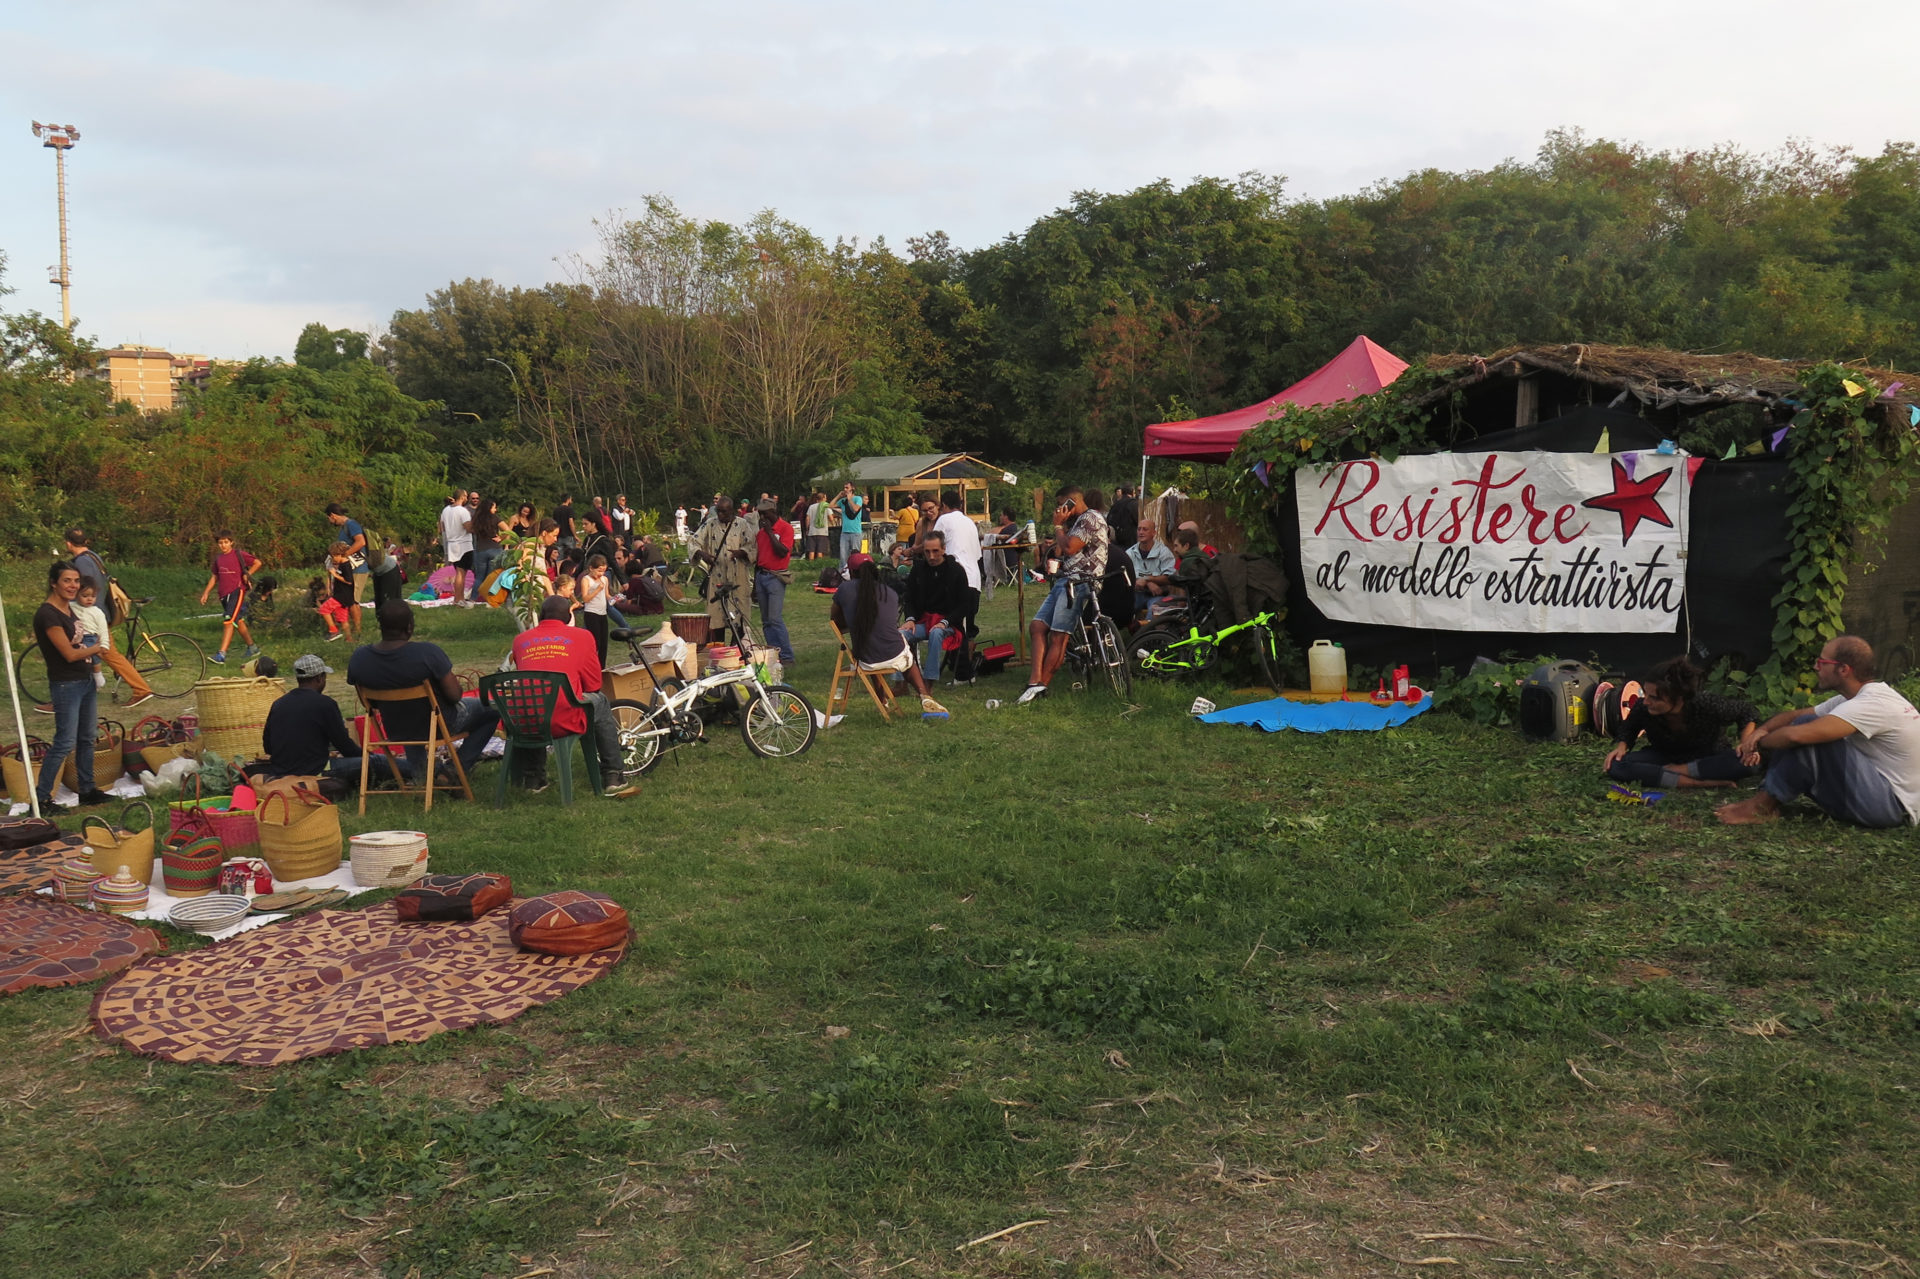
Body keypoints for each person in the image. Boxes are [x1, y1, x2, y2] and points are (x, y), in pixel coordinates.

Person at [1717, 635, 1920, 827]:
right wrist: (1760, 731)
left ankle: (1761, 807)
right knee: (1807, 722)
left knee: (1807, 735)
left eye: (1822, 662)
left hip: (1892, 806)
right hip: (1881, 793)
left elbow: (1795, 734)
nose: (1815, 667)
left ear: (1843, 669)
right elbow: (1796, 716)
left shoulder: (1871, 704)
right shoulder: (1859, 697)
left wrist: (1757, 744)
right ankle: (1766, 799)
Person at [509, 595, 639, 798]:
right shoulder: (583, 637)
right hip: (565, 718)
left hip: (524, 721)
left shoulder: (520, 640)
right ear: (570, 615)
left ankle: (533, 778)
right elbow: (594, 684)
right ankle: (613, 775)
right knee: (601, 702)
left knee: (536, 703)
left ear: (541, 615)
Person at [1602, 657, 1758, 789]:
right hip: (1665, 755)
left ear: (1678, 698)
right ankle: (1699, 782)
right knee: (1616, 765)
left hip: (1708, 756)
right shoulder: (1643, 707)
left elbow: (1747, 713)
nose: (1646, 702)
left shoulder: (1706, 704)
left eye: (1654, 698)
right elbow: (1629, 728)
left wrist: (1746, 744)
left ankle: (1674, 772)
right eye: (1645, 694)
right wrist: (1621, 747)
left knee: (1749, 763)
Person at [1017, 486, 1109, 704]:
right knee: (1037, 626)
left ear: (1070, 502)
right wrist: (1062, 529)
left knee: (1059, 634)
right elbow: (1060, 551)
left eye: (1061, 504)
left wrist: (1058, 525)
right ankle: (1034, 682)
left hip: (1081, 581)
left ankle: (1041, 687)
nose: (1058, 509)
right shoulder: (1077, 522)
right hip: (1066, 579)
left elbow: (1069, 548)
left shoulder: (1091, 518)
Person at [830, 553, 948, 720]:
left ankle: (881, 699)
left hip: (867, 661)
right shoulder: (889, 593)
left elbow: (834, 618)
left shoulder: (845, 590)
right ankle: (924, 694)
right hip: (895, 655)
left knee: (871, 647)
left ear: (853, 573)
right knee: (907, 658)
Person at [33, 562, 113, 810]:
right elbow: (68, 653)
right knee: (64, 742)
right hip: (67, 683)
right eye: (67, 581)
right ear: (53, 583)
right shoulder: (48, 614)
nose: (73, 586)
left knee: (87, 738)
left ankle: (87, 790)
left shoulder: (70, 610)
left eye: (76, 581)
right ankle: (43, 797)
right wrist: (98, 648)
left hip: (85, 678)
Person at [253, 654, 367, 786]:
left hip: (281, 770)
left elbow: (268, 747)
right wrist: (365, 755)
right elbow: (345, 746)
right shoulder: (325, 704)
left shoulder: (278, 703)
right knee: (377, 762)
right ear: (319, 678)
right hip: (316, 770)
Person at [900, 531, 969, 685]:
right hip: (924, 621)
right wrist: (910, 619)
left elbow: (965, 604)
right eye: (927, 552)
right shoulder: (918, 569)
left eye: (935, 551)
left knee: (936, 633)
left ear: (944, 549)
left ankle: (929, 681)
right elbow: (909, 597)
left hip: (949, 624)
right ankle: (901, 682)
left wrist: (946, 621)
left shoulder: (956, 570)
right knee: (900, 634)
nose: (931, 556)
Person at [691, 495, 755, 642]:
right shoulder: (710, 524)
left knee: (739, 614)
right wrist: (702, 554)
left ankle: (737, 649)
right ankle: (718, 650)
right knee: (716, 617)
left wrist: (742, 552)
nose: (720, 515)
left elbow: (751, 546)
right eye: (718, 511)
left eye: (724, 512)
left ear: (731, 511)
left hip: (737, 575)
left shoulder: (742, 524)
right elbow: (694, 541)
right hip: (717, 577)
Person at [198, 530, 260, 664]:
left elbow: (257, 563)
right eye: (220, 543)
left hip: (236, 592)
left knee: (228, 621)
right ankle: (253, 647)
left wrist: (247, 574)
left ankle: (221, 654)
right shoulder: (218, 559)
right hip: (223, 594)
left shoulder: (239, 555)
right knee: (238, 620)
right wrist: (206, 592)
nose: (223, 545)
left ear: (231, 542)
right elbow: (215, 577)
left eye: (226, 542)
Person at [753, 497, 797, 666]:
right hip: (761, 576)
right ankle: (774, 654)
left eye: (765, 514)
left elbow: (782, 552)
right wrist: (754, 586)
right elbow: (759, 559)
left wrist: (770, 532)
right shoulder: (760, 533)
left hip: (776, 577)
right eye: (760, 514)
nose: (762, 518)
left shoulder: (785, 528)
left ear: (773, 512)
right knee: (765, 620)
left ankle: (786, 655)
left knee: (775, 618)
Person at [932, 491, 983, 634]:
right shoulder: (970, 522)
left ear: (943, 505)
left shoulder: (944, 519)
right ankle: (967, 654)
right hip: (974, 579)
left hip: (956, 578)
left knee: (954, 626)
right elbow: (978, 555)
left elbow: (933, 544)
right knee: (969, 627)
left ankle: (959, 654)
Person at [1127, 520, 1177, 621]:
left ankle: (1147, 635)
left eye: (1145, 529)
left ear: (1154, 533)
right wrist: (1148, 582)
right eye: (1139, 529)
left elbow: (1169, 578)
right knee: (1123, 606)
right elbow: (1125, 576)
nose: (1141, 532)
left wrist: (1147, 579)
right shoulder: (1130, 553)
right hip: (1136, 593)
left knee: (1154, 611)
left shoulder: (1163, 552)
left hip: (1158, 594)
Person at [326, 503, 370, 604]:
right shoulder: (344, 527)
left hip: (359, 569)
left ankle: (355, 620)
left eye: (329, 518)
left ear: (333, 515)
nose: (329, 521)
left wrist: (343, 556)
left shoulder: (351, 525)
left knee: (353, 601)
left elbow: (361, 542)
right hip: (349, 569)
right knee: (347, 600)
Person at [439, 491, 475, 605]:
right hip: (464, 544)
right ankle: (459, 599)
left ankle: (458, 598)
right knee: (461, 573)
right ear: (463, 497)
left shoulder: (445, 510)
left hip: (451, 544)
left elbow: (442, 527)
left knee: (458, 572)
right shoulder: (463, 511)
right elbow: (468, 528)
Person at [579, 553, 612, 667]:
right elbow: (585, 598)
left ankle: (602, 666)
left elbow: (607, 595)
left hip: (602, 612)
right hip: (591, 613)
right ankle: (591, 664)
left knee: (604, 643)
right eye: (598, 571)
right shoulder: (586, 580)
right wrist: (597, 590)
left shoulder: (605, 579)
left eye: (603, 571)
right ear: (591, 568)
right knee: (595, 642)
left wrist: (614, 599)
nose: (600, 574)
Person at [320, 541, 358, 641]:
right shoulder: (341, 564)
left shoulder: (346, 565)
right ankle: (349, 639)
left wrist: (335, 574)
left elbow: (349, 581)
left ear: (340, 555)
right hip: (342, 595)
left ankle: (333, 630)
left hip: (342, 596)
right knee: (343, 618)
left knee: (324, 609)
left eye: (334, 556)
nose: (333, 558)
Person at [469, 497, 504, 603]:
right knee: (492, 577)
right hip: (495, 549)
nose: (495, 510)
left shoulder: (476, 519)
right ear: (489, 508)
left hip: (481, 550)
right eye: (494, 507)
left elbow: (471, 530)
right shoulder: (495, 518)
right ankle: (489, 600)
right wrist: (500, 538)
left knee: (479, 577)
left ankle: (472, 599)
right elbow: (507, 529)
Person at [835, 482, 866, 567]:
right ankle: (843, 573)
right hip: (845, 532)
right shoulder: (843, 501)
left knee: (855, 555)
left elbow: (856, 509)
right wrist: (838, 496)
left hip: (855, 532)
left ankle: (855, 571)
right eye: (844, 488)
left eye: (847, 488)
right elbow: (830, 506)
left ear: (852, 488)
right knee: (843, 555)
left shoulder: (858, 498)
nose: (845, 489)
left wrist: (849, 500)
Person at [1108, 486, 1140, 556]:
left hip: (1115, 541)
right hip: (1130, 540)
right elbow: (1138, 520)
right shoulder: (1133, 503)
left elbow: (1109, 520)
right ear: (1132, 492)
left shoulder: (1115, 505)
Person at [805, 492, 832, 560]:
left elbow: (807, 518)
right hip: (823, 532)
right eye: (825, 497)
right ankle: (819, 564)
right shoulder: (826, 506)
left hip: (812, 531)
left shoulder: (811, 506)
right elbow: (831, 518)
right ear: (823, 498)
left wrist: (807, 528)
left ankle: (811, 565)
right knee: (820, 550)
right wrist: (832, 522)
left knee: (811, 550)